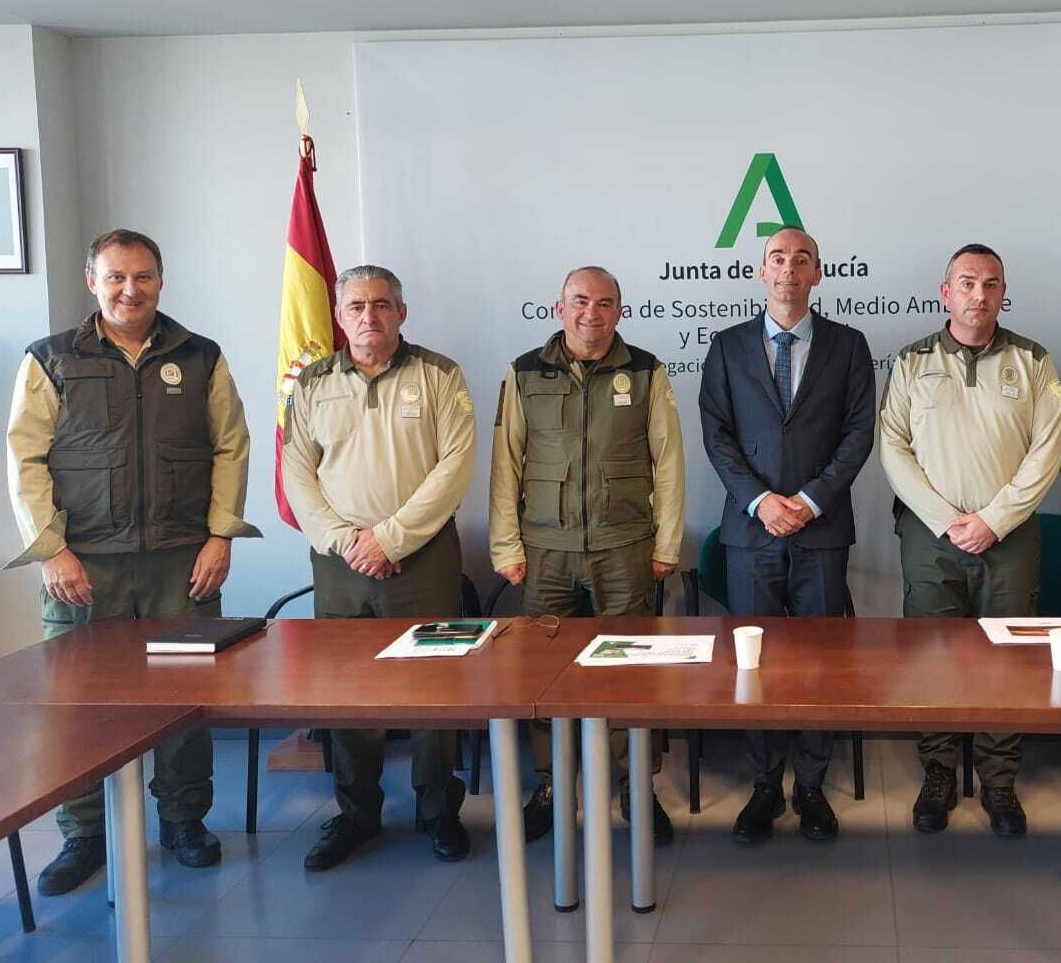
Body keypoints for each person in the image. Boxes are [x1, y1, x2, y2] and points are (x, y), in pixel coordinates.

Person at [5, 228, 258, 896]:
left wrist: (221, 534)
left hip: (182, 560)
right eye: (116, 277)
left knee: (185, 699)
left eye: (142, 276)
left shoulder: (200, 356)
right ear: (92, 281)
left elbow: (231, 446)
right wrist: (50, 547)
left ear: (161, 280)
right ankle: (83, 835)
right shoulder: (51, 358)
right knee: (78, 705)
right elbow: (24, 459)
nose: (130, 289)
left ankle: (183, 821)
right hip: (84, 565)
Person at [279, 264, 477, 870]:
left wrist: (390, 540)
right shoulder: (313, 382)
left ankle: (438, 810)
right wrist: (347, 542)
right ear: (339, 316)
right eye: (358, 306)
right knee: (347, 694)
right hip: (340, 565)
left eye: (383, 305)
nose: (370, 316)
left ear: (402, 312)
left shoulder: (439, 374)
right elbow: (297, 472)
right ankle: (357, 814)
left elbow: (456, 466)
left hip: (422, 558)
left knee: (433, 691)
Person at [489, 265, 686, 846]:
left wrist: (666, 543)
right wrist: (506, 544)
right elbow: (508, 464)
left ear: (619, 312)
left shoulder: (645, 371)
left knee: (632, 672)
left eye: (604, 303)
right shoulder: (525, 372)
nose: (591, 314)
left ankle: (636, 786)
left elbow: (668, 461)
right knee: (542, 675)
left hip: (625, 547)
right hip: (546, 551)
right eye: (580, 301)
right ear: (559, 307)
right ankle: (551, 785)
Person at [878, 243, 1061, 838]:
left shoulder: (1033, 361)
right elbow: (893, 448)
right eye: (966, 283)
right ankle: (937, 773)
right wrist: (945, 518)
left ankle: (999, 780)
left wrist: (993, 520)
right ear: (945, 292)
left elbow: (1046, 452)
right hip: (931, 538)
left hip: (1007, 539)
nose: (978, 295)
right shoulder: (911, 362)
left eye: (990, 285)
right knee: (930, 656)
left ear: (1002, 293)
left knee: (1007, 659)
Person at [699, 227, 876, 844]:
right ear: (760, 271)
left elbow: (858, 435)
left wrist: (806, 500)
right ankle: (764, 786)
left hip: (820, 531)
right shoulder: (726, 347)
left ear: (817, 275)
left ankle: (811, 785)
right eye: (778, 258)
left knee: (820, 663)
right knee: (756, 664)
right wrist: (760, 501)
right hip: (751, 534)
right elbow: (716, 436)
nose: (789, 270)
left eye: (802, 260)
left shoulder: (849, 346)